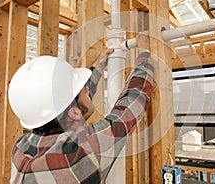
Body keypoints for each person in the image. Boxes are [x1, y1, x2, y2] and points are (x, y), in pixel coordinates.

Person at [8, 33, 153, 184]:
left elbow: (69, 102)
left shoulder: (21, 146)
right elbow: (131, 104)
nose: (88, 91)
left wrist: (98, 65)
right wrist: (144, 55)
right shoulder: (76, 152)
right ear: (75, 113)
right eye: (85, 91)